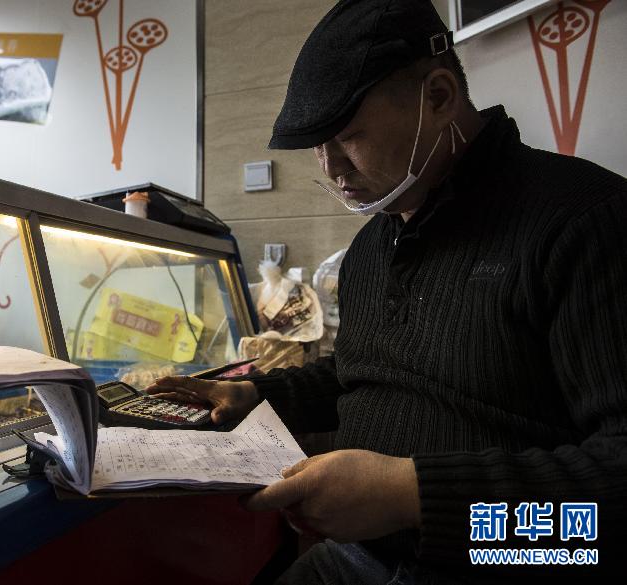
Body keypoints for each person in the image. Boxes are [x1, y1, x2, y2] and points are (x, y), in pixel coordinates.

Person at [147, 0, 627, 582]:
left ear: (440, 96)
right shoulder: (374, 247)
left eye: (348, 137)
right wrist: (255, 396)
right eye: (316, 149)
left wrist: (412, 496)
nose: (333, 169)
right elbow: (366, 375)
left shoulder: (583, 222)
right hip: (357, 558)